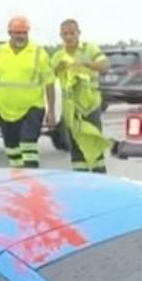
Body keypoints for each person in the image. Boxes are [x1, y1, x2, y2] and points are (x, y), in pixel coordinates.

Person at [0, 15, 55, 168]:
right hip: (5, 109)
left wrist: (51, 111)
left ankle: (31, 178)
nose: (21, 36)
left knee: (28, 145)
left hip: (32, 107)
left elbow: (49, 83)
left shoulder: (39, 53)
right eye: (17, 32)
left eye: (24, 32)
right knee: (12, 148)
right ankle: (19, 179)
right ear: (9, 33)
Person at [51, 19, 111, 173]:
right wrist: (58, 68)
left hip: (90, 106)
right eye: (65, 34)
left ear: (79, 33)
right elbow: (48, 78)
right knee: (76, 147)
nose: (69, 37)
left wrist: (87, 63)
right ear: (61, 35)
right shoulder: (58, 55)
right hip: (71, 108)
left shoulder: (89, 49)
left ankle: (100, 178)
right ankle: (80, 178)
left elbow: (105, 66)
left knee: (93, 142)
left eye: (72, 33)